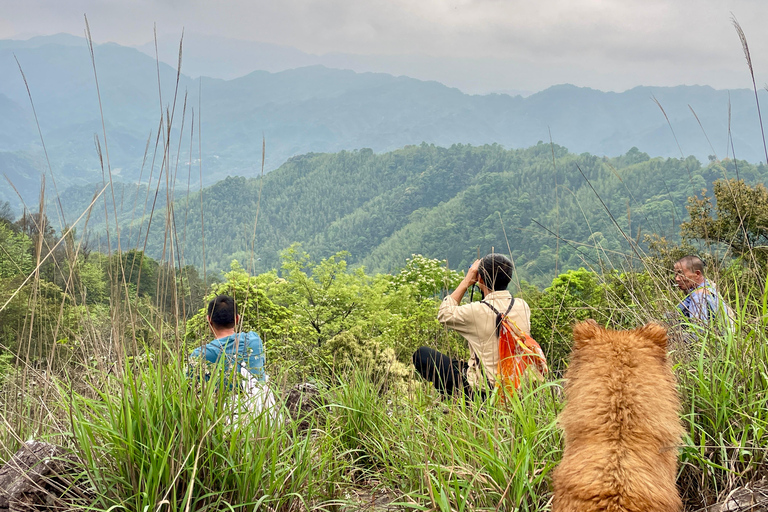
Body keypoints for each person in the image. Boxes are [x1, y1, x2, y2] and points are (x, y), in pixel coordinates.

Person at [412, 253, 532, 399]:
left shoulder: (475, 311)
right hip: (516, 388)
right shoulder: (522, 306)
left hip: (484, 391)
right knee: (465, 364)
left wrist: (467, 281)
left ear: (480, 278)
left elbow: (444, 313)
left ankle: (459, 399)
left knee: (422, 355)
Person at [190, 294, 276, 415]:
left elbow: (192, 392)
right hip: (263, 416)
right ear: (237, 319)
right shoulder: (254, 340)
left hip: (224, 422)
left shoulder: (200, 354)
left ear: (209, 319)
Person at [673, 255, 734, 331]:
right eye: (676, 274)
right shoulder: (709, 286)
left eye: (681, 274)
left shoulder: (699, 297)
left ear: (697, 274)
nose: (677, 279)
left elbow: (699, 331)